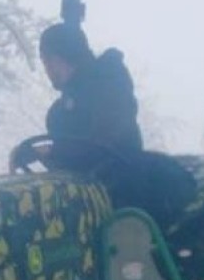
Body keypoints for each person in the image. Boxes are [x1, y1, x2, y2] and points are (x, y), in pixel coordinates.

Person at [36, 23, 143, 171]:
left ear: (68, 57)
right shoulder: (59, 113)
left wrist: (55, 152)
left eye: (50, 60)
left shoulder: (110, 87)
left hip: (121, 183)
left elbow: (105, 145)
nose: (47, 69)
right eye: (44, 62)